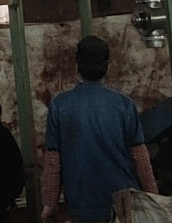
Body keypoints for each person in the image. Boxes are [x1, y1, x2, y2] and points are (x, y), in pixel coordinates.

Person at [40, 35, 158, 223]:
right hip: (124, 202)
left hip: (82, 203)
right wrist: (154, 198)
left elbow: (53, 161)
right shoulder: (124, 104)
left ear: (77, 65)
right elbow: (140, 157)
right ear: (107, 67)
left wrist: (49, 204)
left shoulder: (59, 106)